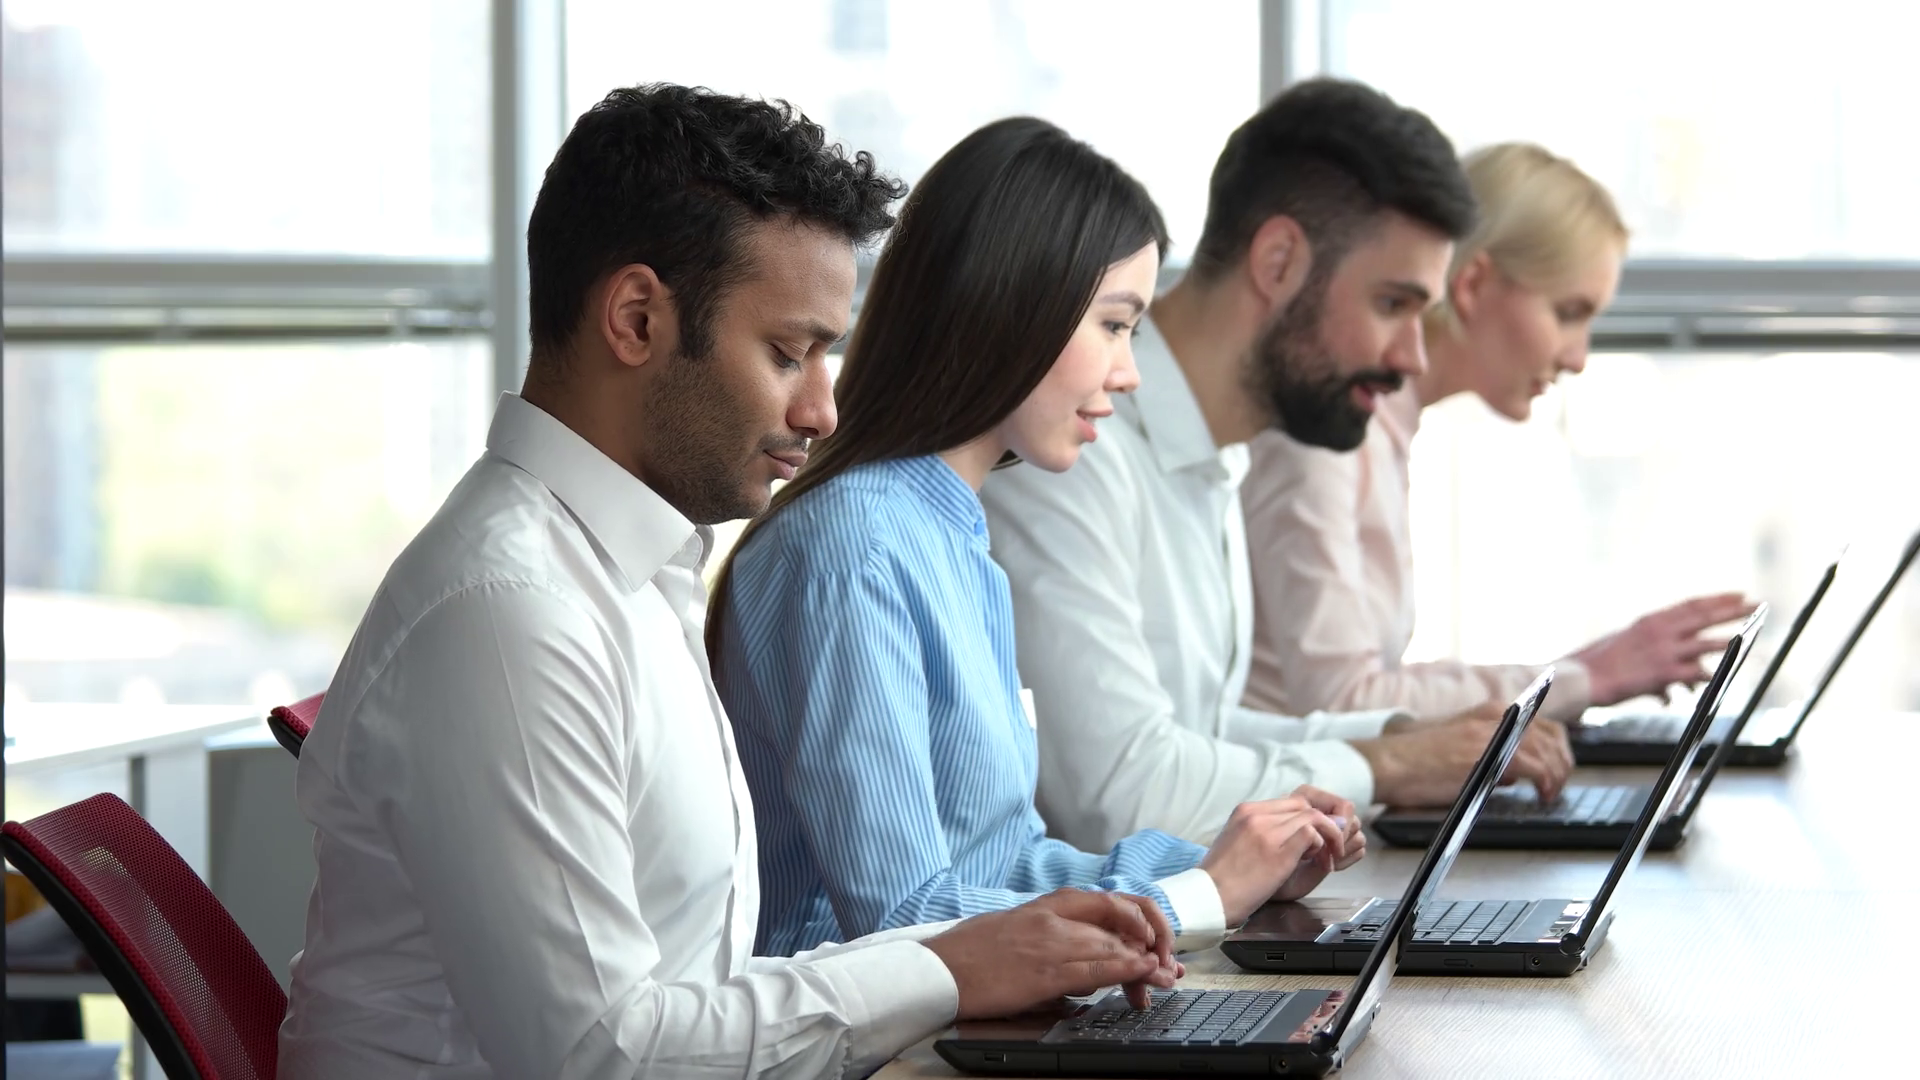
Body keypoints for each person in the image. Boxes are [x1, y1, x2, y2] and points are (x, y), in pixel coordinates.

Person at [277, 85, 1188, 1080]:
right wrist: (946, 969)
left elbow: (692, 995)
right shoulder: (511, 615)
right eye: (788, 353)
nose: (823, 410)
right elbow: (602, 1057)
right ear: (636, 319)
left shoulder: (627, 572)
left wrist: (968, 959)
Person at [708, 118, 1365, 960]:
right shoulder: (854, 552)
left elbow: (1005, 865)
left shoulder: (948, 537)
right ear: (1013, 305)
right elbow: (903, 921)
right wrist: (1200, 894)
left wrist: (1227, 863)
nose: (1126, 375)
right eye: (1116, 326)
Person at [979, 79, 1575, 852]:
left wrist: (1412, 736)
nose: (1413, 356)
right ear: (1280, 261)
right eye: (1394, 306)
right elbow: (1119, 795)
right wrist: (1383, 763)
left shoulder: (1214, 450)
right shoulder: (1075, 453)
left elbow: (1201, 728)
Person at [1241, 142, 1754, 724]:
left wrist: (1579, 670)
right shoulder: (1326, 437)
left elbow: (1368, 687)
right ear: (1475, 284)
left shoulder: (1387, 430)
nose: (1578, 357)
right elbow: (1344, 702)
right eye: (1567, 313)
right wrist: (1587, 678)